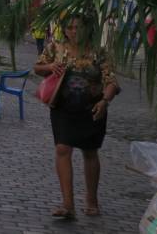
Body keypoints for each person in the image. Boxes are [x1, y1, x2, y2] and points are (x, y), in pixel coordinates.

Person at [34, 16, 120, 220]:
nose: (74, 31)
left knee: (90, 152)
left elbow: (112, 81)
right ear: (64, 31)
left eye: (78, 27)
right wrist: (50, 67)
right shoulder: (55, 48)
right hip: (63, 109)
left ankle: (91, 200)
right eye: (70, 28)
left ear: (86, 30)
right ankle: (68, 204)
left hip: (92, 109)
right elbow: (38, 68)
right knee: (62, 148)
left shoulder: (98, 52)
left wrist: (104, 101)